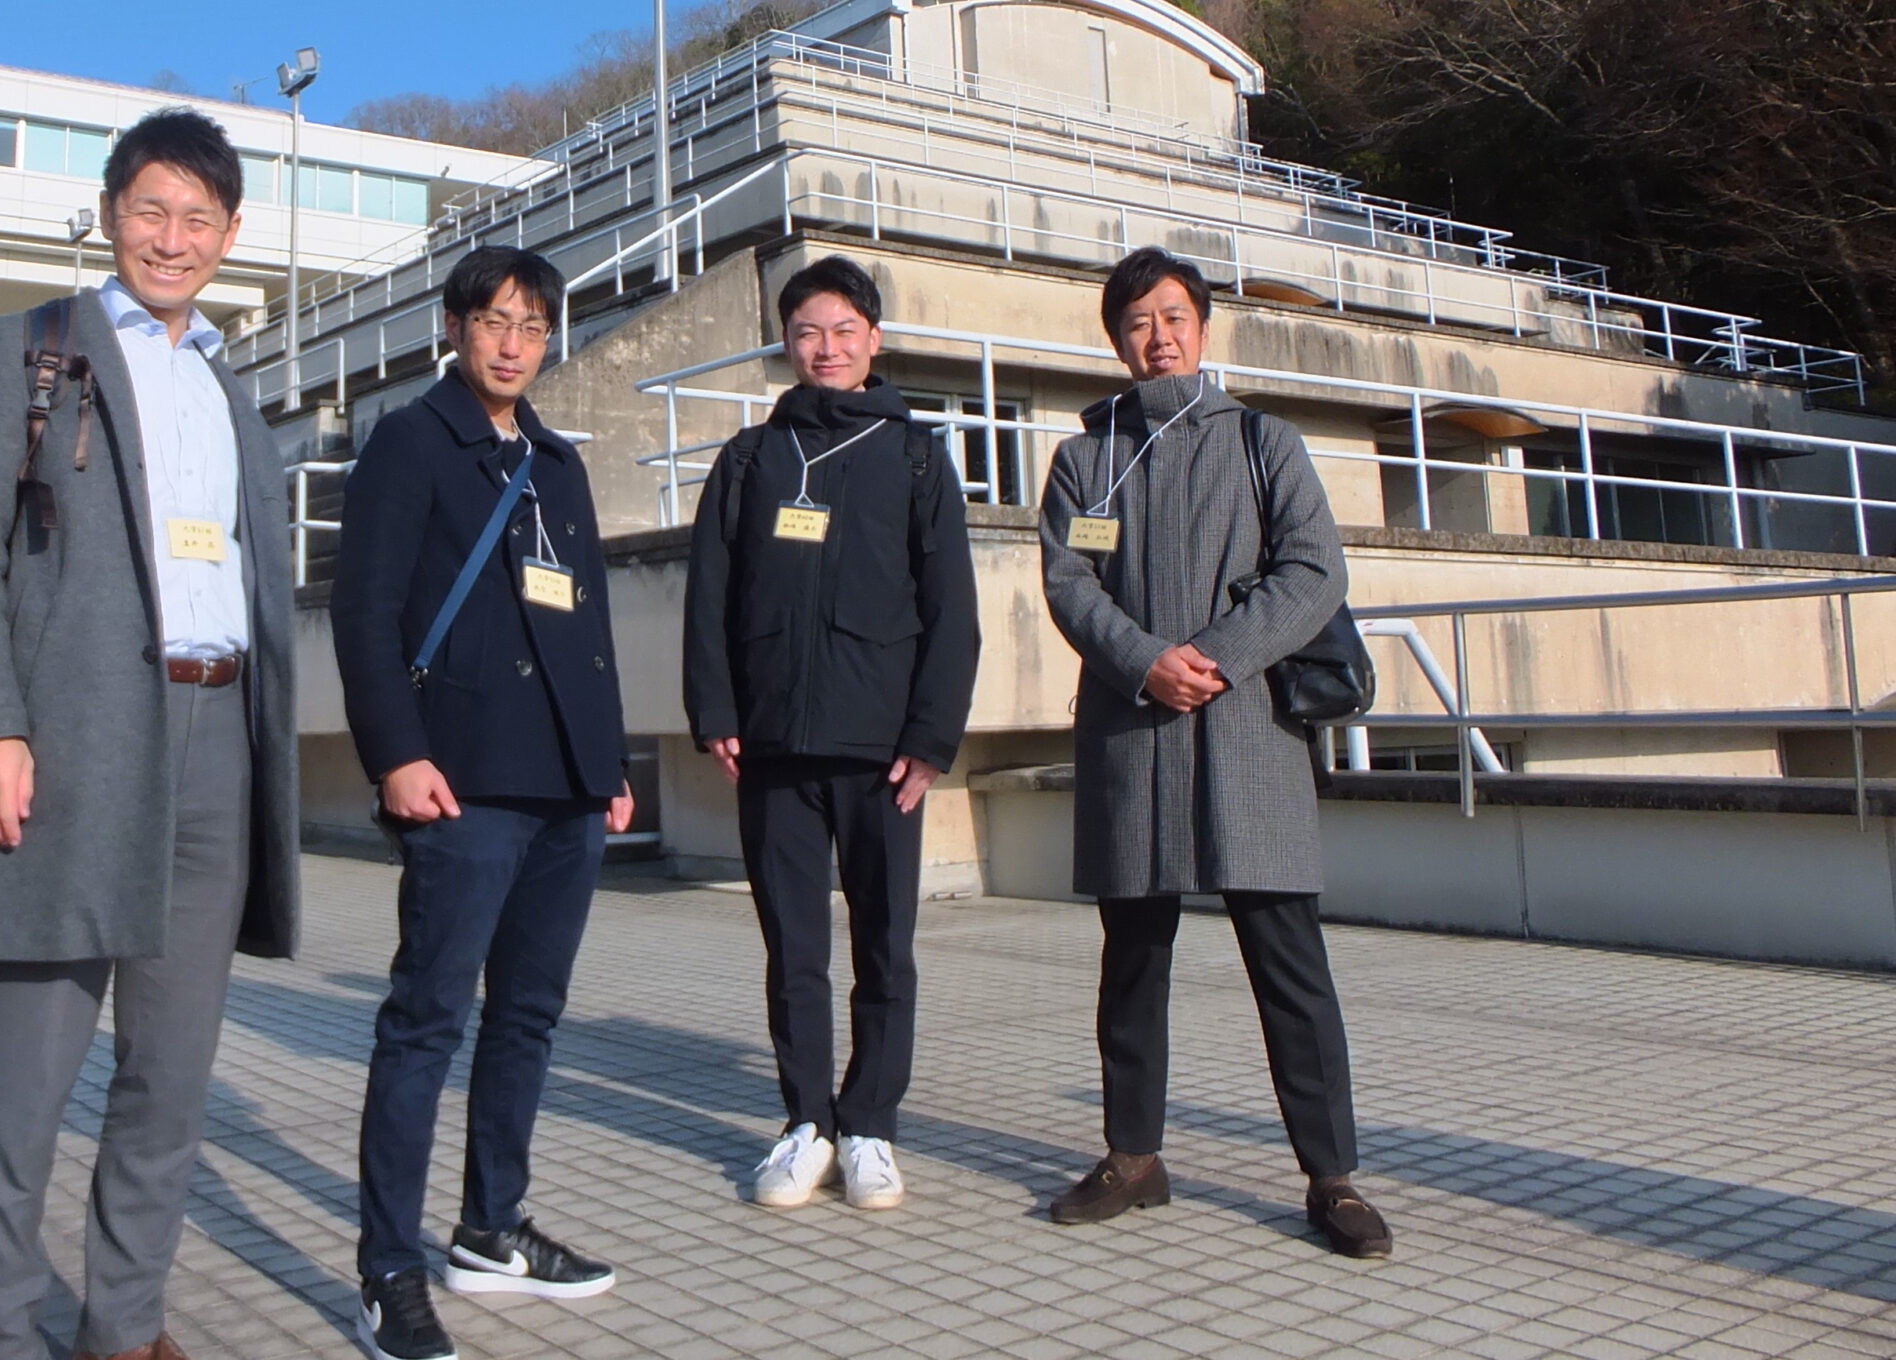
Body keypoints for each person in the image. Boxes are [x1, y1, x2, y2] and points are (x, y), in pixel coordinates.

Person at [0, 108, 301, 1360]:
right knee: (27, 1072)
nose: (172, 238)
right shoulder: (24, 352)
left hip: (219, 737)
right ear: (108, 215)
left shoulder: (227, 388)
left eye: (198, 218)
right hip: (75, 740)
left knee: (170, 1076)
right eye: (151, 211)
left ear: (230, 234)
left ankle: (123, 1328)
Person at [1038, 246, 1391, 1259]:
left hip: (1247, 734)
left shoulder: (1262, 441)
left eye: (1173, 316)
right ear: (1117, 340)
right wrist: (1144, 662)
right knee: (1132, 961)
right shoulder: (1086, 460)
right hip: (1132, 732)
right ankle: (1133, 1157)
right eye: (1137, 321)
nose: (1158, 336)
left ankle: (1332, 1178)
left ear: (1201, 326)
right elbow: (1068, 583)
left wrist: (1218, 658)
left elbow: (1313, 571)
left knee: (1289, 963)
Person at [331, 245, 635, 1360]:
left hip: (566, 786)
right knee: (426, 1021)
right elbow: (363, 613)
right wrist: (395, 756)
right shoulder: (410, 442)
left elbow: (587, 621)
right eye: (494, 321)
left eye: (533, 326)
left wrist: (608, 764)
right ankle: (386, 1269)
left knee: (528, 1017)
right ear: (455, 327)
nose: (513, 344)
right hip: (461, 780)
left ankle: (491, 1228)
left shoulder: (556, 460)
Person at [683, 255, 980, 1212]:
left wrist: (931, 737)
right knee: (793, 949)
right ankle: (806, 1122)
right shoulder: (750, 459)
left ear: (874, 340)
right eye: (808, 331)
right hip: (774, 746)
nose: (827, 347)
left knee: (885, 948)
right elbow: (710, 595)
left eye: (845, 331)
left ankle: (871, 1126)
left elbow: (953, 608)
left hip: (883, 753)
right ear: (786, 342)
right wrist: (717, 712)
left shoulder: (917, 457)